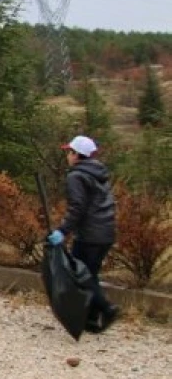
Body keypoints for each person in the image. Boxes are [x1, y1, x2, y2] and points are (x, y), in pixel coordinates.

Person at [48, 135, 120, 333]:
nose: (67, 156)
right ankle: (90, 319)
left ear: (77, 155)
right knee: (90, 275)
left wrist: (62, 231)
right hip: (106, 233)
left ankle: (106, 308)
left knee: (79, 276)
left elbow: (77, 207)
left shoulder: (76, 176)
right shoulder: (98, 173)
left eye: (69, 152)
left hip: (90, 235)